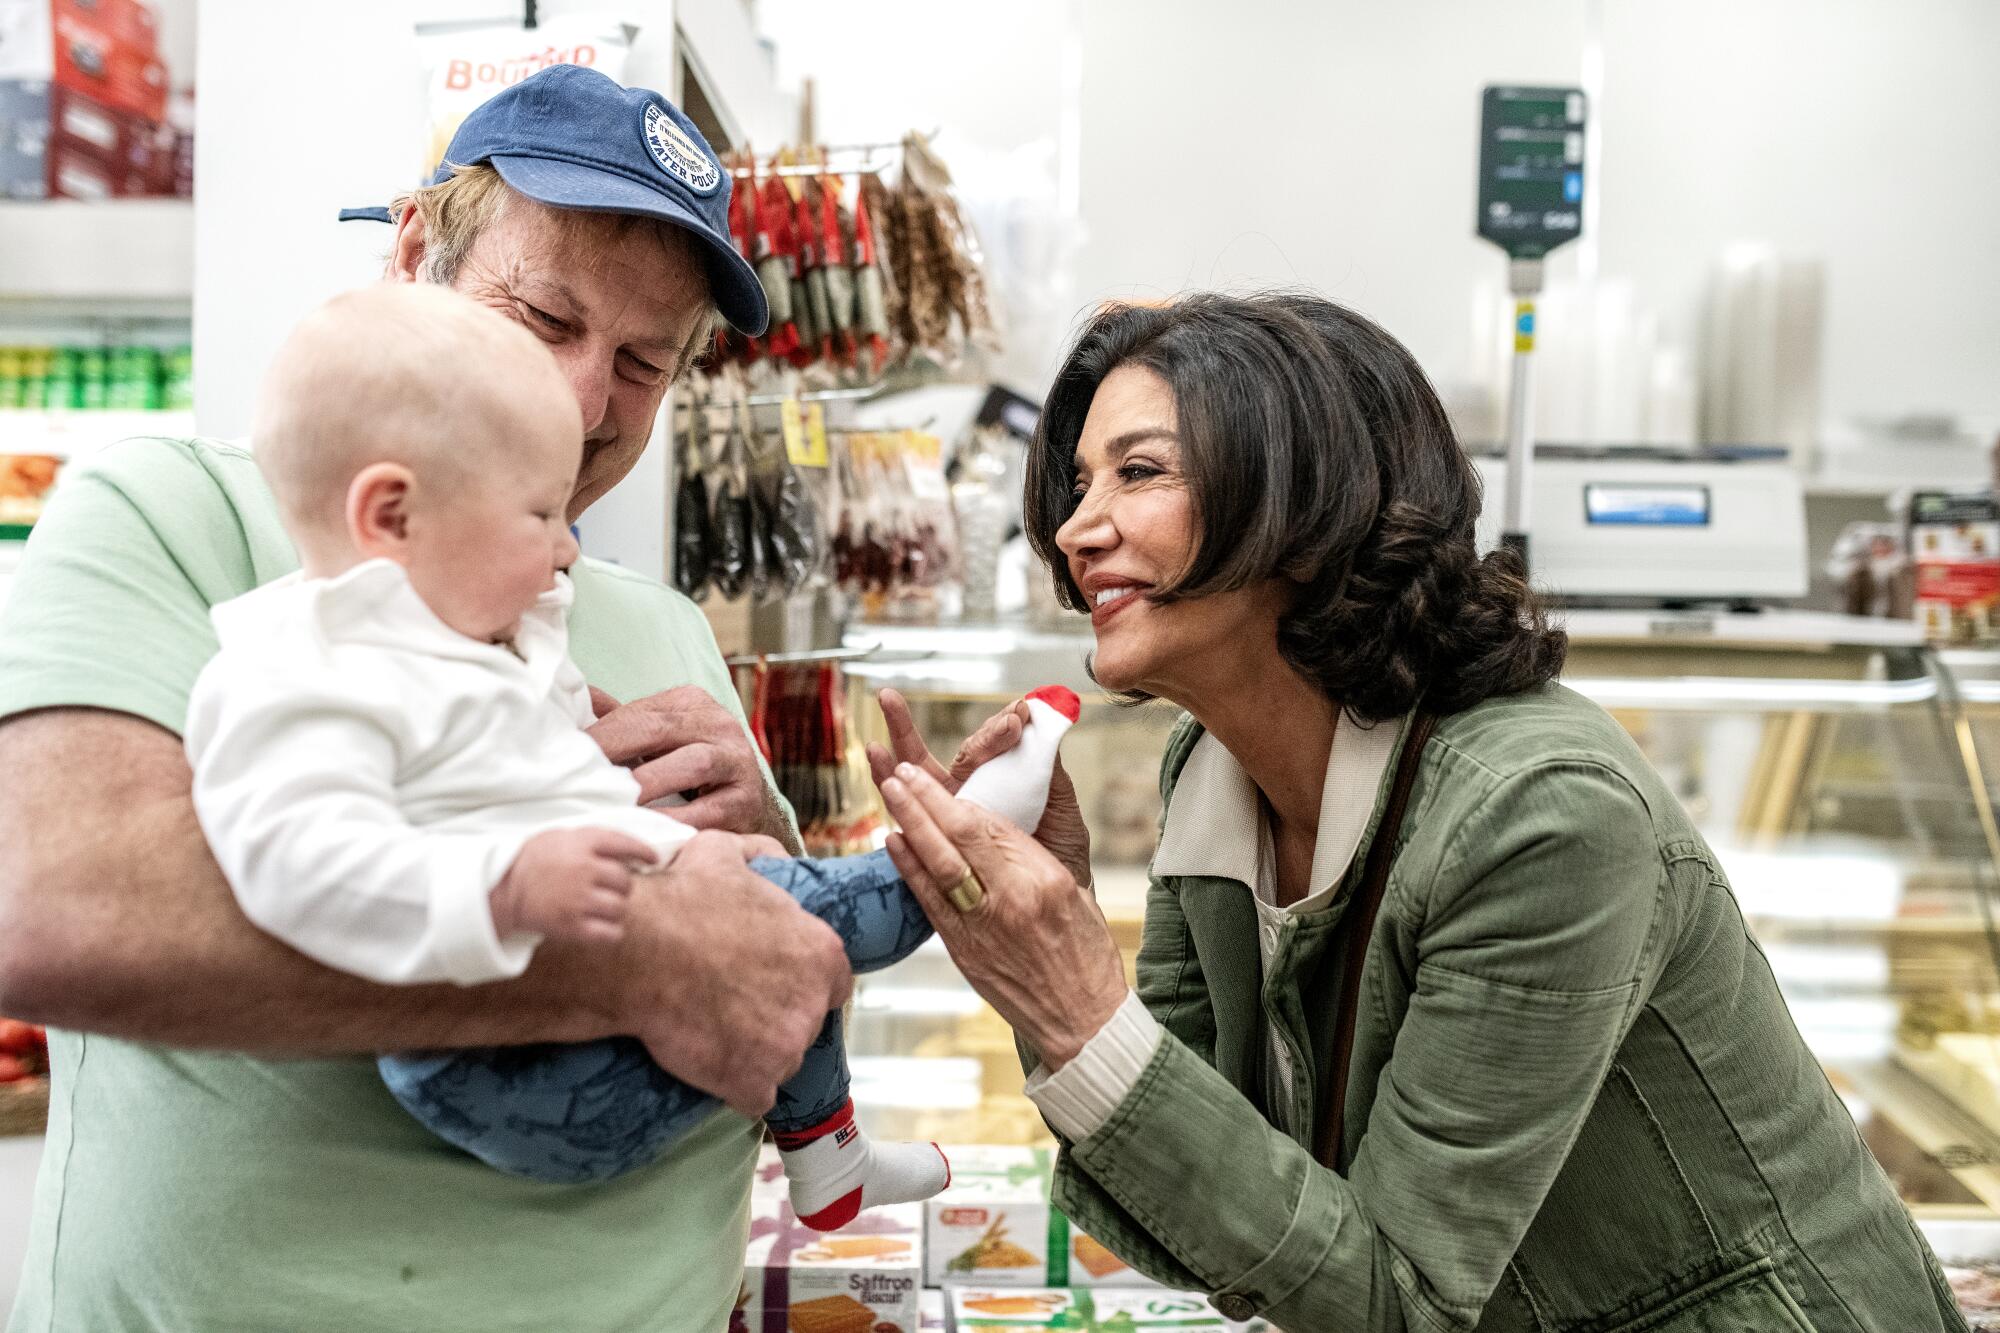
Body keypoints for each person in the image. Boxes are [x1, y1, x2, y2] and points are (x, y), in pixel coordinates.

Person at [869, 293, 1969, 1332]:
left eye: (1137, 473)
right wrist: (1040, 956)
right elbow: (1195, 1231)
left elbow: (1396, 1300)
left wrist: (1075, 1006)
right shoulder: (1210, 766)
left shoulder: (1540, 819)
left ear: (1307, 509)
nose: (1075, 528)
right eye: (1076, 484)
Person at [0, 66, 851, 1332]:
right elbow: (58, 906)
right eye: (546, 316)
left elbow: (762, 995)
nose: (580, 399)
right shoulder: (173, 513)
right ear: (414, 255)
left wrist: (767, 871)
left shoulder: (668, 625)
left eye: (639, 360)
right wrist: (633, 958)